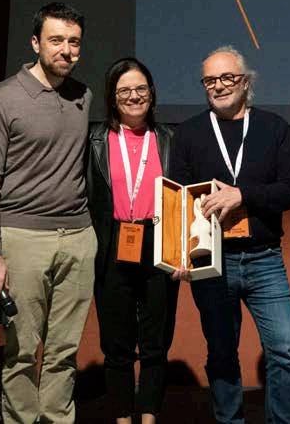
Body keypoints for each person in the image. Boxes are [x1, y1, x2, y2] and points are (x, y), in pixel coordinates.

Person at [0, 2, 96, 424]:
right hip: (22, 239)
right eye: (56, 40)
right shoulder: (1, 100)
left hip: (78, 239)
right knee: (22, 351)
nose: (66, 50)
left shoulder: (83, 96)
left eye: (73, 42)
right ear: (35, 43)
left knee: (64, 352)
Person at [169, 45, 290, 423]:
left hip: (264, 258)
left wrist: (242, 195)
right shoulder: (189, 133)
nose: (219, 86)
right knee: (222, 353)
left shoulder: (273, 128)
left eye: (227, 77)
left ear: (245, 82)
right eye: (210, 80)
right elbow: (178, 199)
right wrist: (179, 253)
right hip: (211, 262)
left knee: (285, 348)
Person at [87, 57, 178, 424]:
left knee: (156, 343)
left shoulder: (169, 138)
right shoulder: (94, 139)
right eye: (124, 90)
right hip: (112, 243)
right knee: (116, 344)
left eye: (141, 88)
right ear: (112, 97)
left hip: (158, 243)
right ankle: (123, 417)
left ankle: (150, 417)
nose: (134, 96)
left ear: (152, 94)